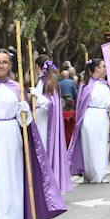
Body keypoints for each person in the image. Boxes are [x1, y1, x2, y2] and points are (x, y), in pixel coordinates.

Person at [0, 48, 63, 219]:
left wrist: (25, 111)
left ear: (10, 65)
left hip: (13, 137)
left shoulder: (17, 88)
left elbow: (24, 122)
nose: (1, 65)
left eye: (5, 62)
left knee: (14, 176)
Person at [32, 58, 74, 201]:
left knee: (44, 151)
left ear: (38, 67)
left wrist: (36, 96)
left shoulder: (48, 83)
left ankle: (48, 185)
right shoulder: (45, 82)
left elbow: (50, 104)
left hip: (45, 122)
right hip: (40, 119)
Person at [67, 59, 110, 183]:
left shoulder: (105, 84)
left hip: (103, 116)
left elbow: (108, 101)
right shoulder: (85, 85)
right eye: (103, 66)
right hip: (90, 116)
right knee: (90, 146)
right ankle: (91, 174)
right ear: (96, 68)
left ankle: (101, 173)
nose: (105, 68)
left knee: (103, 144)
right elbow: (81, 104)